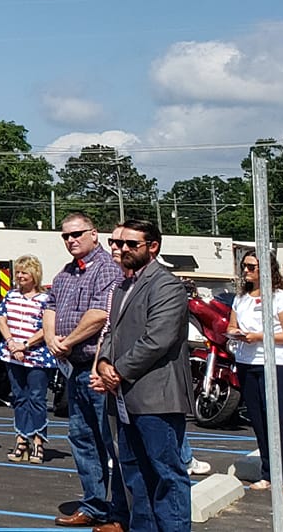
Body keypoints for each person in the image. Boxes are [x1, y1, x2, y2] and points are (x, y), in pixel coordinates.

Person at [91, 220, 189, 532]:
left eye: (131, 244)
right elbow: (113, 333)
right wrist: (104, 362)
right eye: (117, 243)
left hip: (156, 397)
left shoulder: (167, 285)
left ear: (153, 247)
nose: (122, 249)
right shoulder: (122, 286)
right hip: (124, 396)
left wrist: (118, 370)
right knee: (134, 471)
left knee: (166, 474)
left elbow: (158, 339)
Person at [42, 213, 126, 532]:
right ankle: (94, 504)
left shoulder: (107, 268)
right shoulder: (65, 273)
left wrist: (66, 341)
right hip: (73, 368)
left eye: (76, 234)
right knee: (82, 437)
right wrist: (51, 338)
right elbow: (49, 307)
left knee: (111, 441)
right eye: (65, 236)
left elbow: (100, 314)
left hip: (98, 368)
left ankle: (121, 511)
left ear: (94, 234)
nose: (71, 240)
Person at [230, 248, 283, 497]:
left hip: (277, 364)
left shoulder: (280, 297)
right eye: (244, 266)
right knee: (258, 420)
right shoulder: (241, 298)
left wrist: (259, 336)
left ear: (267, 270)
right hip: (247, 362)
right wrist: (236, 333)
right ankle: (268, 472)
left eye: (252, 267)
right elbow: (232, 324)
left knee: (277, 419)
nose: (246, 271)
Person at [0, 254, 57, 463]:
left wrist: (26, 344)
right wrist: (12, 343)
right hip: (12, 355)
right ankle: (21, 438)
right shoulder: (11, 296)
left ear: (34, 275)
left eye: (25, 273)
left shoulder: (45, 299)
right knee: (19, 397)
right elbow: (2, 321)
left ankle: (38, 440)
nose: (20, 276)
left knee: (37, 398)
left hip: (37, 357)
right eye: (18, 272)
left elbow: (47, 327)